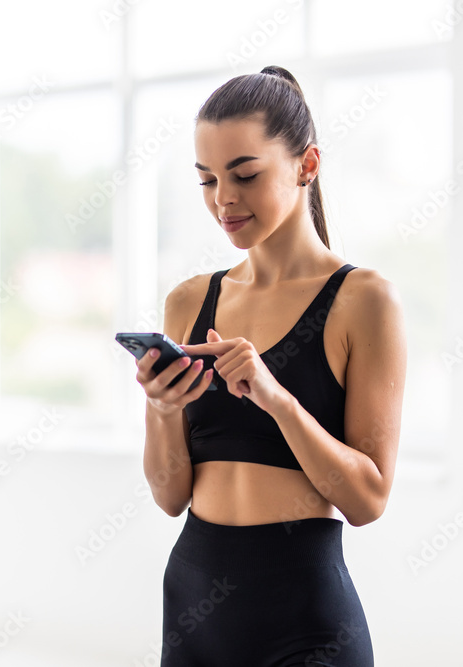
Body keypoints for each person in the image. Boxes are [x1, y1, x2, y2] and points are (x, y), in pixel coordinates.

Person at [133, 65, 407, 666]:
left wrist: (276, 398)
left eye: (245, 175)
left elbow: (368, 500)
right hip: (193, 609)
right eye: (206, 180)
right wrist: (159, 408)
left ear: (307, 165)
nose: (223, 200)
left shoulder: (364, 301)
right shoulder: (189, 301)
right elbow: (169, 496)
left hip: (306, 624)